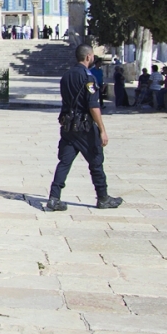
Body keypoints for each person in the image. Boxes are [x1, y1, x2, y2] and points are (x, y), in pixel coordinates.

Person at [47, 45, 123, 211]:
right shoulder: (88, 77)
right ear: (88, 57)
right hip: (85, 127)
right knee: (96, 161)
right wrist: (102, 129)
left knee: (64, 162)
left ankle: (54, 197)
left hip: (68, 126)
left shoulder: (66, 76)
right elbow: (93, 106)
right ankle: (103, 197)